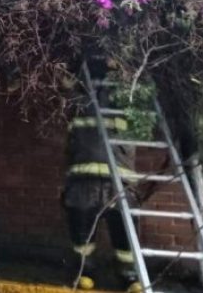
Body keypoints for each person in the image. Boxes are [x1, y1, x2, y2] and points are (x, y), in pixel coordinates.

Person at [62, 58, 142, 293]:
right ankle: (85, 271)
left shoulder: (125, 98)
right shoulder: (79, 99)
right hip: (85, 177)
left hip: (118, 180)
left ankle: (128, 275)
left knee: (124, 228)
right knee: (81, 225)